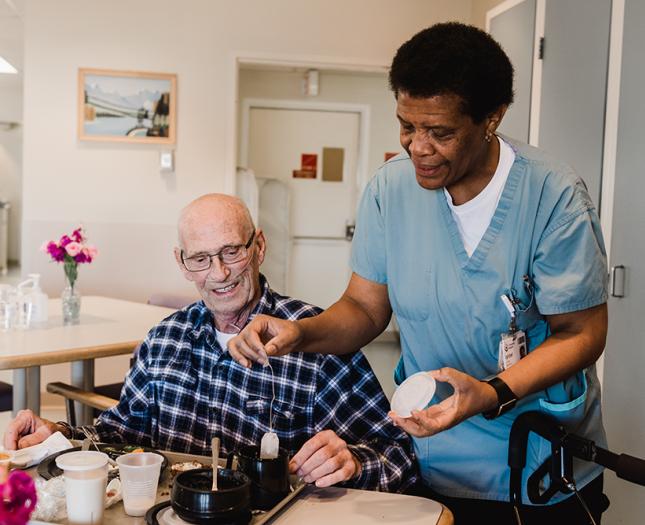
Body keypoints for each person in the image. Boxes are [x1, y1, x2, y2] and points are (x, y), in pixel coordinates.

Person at [228, 22, 610, 524]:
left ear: (492, 118)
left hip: (536, 462)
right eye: (407, 125)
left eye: (440, 132)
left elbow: (583, 331)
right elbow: (365, 309)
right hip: (429, 455)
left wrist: (492, 391)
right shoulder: (391, 190)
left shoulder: (551, 196)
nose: (417, 147)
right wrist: (300, 333)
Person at [4, 194, 417, 493]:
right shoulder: (163, 341)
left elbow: (400, 456)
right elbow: (117, 437)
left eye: (231, 251)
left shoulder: (317, 337)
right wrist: (57, 434)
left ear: (259, 247)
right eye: (200, 258)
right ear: (182, 263)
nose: (218, 273)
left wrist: (352, 463)